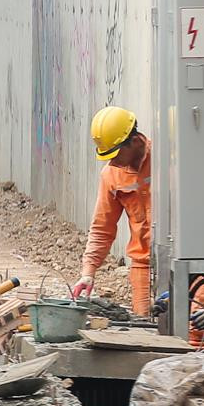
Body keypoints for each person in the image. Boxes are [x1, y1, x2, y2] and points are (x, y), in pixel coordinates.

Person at [72, 107, 154, 316]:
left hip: (176, 262)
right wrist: (88, 273)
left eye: (115, 153)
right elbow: (102, 228)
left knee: (188, 330)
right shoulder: (111, 176)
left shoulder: (166, 160)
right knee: (145, 328)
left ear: (134, 141)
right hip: (143, 265)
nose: (111, 161)